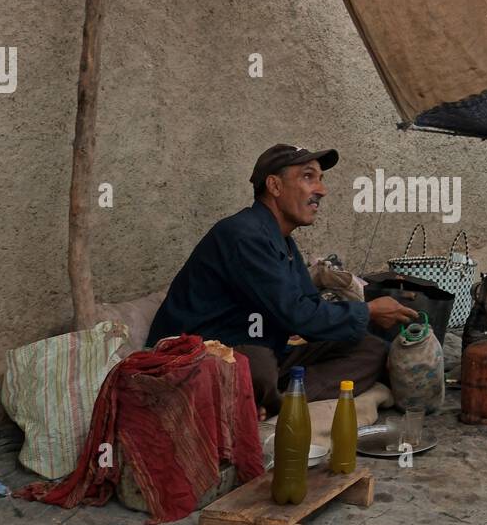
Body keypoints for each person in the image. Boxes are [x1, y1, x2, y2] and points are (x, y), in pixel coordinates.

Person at [146, 144, 417, 417]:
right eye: (308, 177)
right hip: (199, 357)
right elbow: (297, 315)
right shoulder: (244, 235)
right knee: (256, 363)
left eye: (321, 179)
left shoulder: (282, 241)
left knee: (371, 348)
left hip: (262, 346)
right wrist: (368, 311)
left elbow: (309, 308)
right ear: (274, 186)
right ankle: (264, 399)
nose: (321, 191)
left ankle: (282, 401)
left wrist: (362, 315)